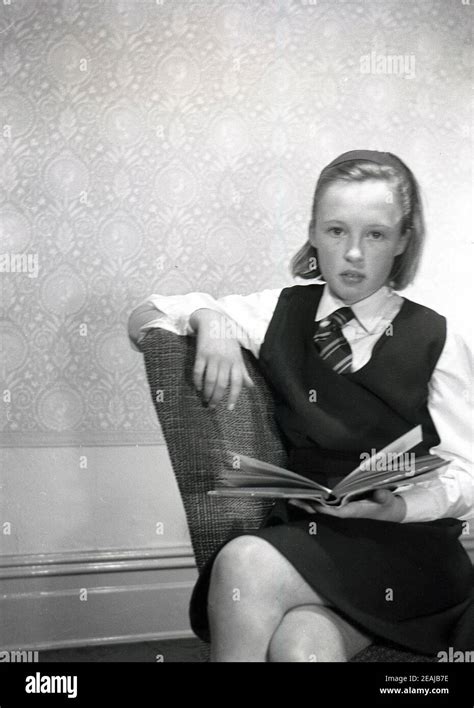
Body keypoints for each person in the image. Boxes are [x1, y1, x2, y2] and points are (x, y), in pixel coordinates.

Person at [128, 149, 474, 662]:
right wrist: (209, 316)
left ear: (403, 239)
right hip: (312, 537)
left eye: (375, 234)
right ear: (313, 233)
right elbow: (144, 321)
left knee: (244, 562)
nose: (353, 253)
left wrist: (396, 508)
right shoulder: (279, 312)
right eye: (336, 231)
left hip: (409, 548)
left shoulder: (438, 337)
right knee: (299, 649)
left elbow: (466, 474)